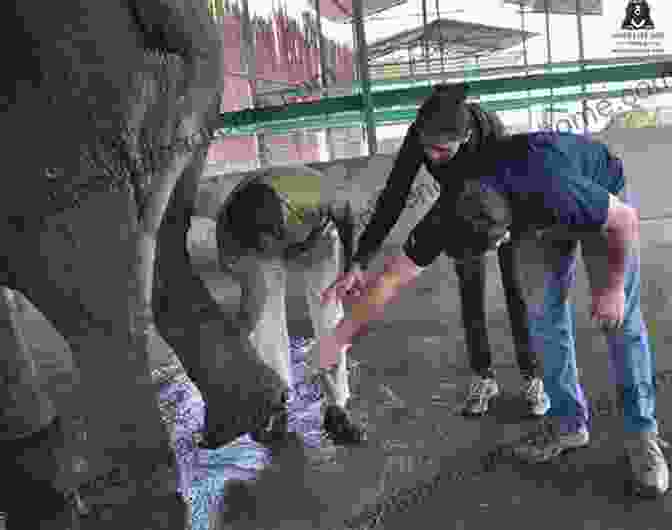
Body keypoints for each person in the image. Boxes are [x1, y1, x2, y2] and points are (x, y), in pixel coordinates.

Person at [318, 130, 669, 497]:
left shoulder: (554, 185)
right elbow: (390, 280)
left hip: (598, 196)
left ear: (503, 235)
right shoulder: (449, 210)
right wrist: (338, 339)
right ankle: (567, 423)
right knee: (543, 318)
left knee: (621, 322)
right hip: (529, 212)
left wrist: (611, 289)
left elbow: (624, 221)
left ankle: (643, 435)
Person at [338, 82, 549, 417]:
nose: (432, 156)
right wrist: (361, 259)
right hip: (457, 208)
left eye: (442, 151)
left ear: (464, 138)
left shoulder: (490, 132)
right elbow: (393, 198)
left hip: (505, 203)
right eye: (427, 148)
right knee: (470, 288)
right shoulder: (419, 137)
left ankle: (532, 375)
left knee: (516, 289)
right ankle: (483, 376)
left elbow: (517, 183)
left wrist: (509, 228)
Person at [216, 165, 366, 446]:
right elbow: (252, 308)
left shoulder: (312, 196)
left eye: (274, 239)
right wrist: (237, 346)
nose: (274, 248)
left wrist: (351, 266)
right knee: (265, 322)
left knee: (328, 311)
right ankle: (275, 401)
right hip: (263, 244)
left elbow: (346, 216)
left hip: (317, 236)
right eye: (265, 245)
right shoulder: (231, 238)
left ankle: (337, 407)